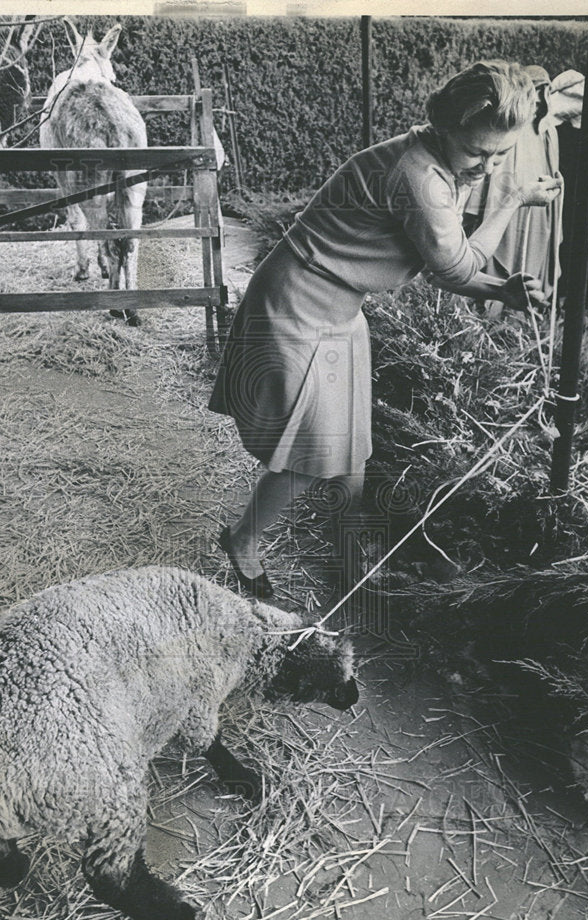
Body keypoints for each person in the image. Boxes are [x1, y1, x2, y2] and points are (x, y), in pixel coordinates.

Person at [209, 61, 562, 598]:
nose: (487, 168)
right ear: (443, 125)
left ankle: (350, 557)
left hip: (338, 307)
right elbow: (457, 269)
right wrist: (511, 216)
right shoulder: (417, 176)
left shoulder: (437, 158)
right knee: (309, 457)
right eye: (477, 152)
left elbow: (456, 256)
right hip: (300, 304)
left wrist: (501, 283)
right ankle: (243, 542)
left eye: (500, 155)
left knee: (350, 452)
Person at [463, 65, 562, 316]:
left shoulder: (547, 131)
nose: (539, 100)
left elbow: (553, 167)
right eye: (535, 92)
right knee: (493, 261)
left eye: (544, 93)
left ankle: (519, 317)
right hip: (501, 208)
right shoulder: (508, 128)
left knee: (530, 267)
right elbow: (485, 173)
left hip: (536, 215)